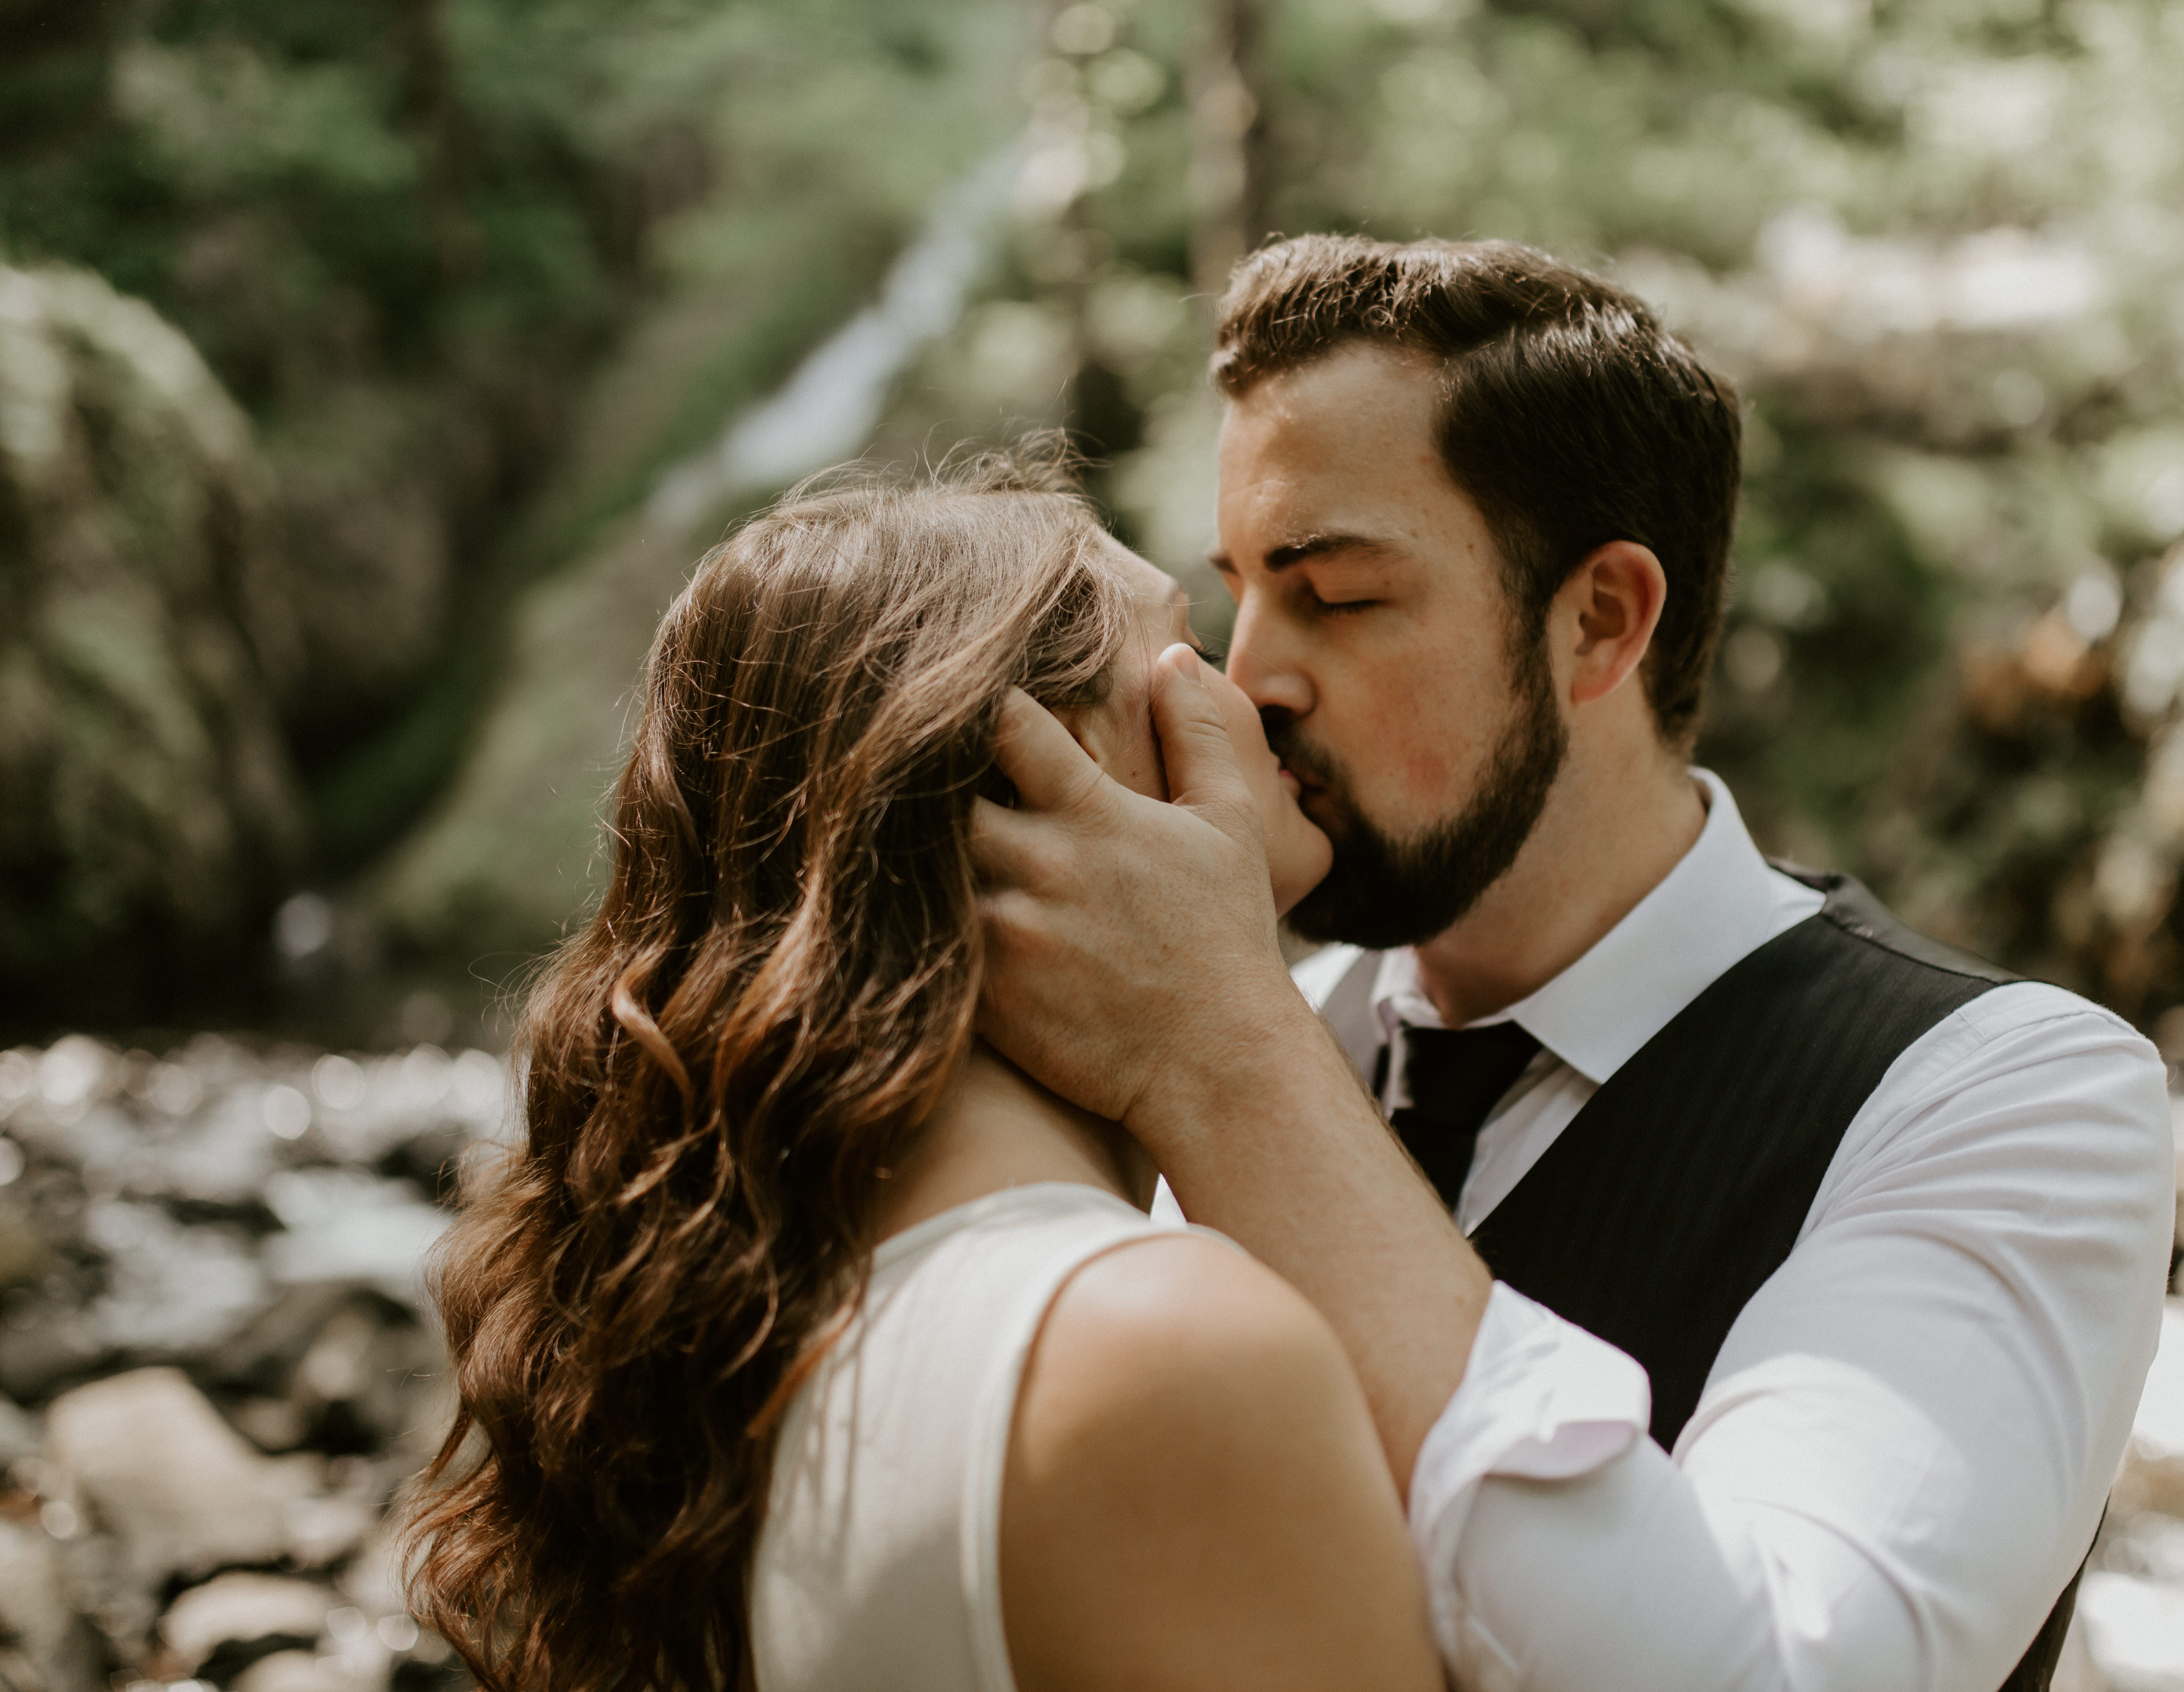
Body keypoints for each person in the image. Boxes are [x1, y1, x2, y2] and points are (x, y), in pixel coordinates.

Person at [974, 237, 2176, 1691]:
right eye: (1241, 590)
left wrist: (1220, 1060)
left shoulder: (2005, 1097)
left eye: (1338, 595)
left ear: (1600, 619)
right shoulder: (1265, 1031)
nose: (1251, 681)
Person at [400, 462, 1443, 1692]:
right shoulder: (1154, 1353)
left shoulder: (753, 1334)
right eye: (1189, 651)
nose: (1254, 698)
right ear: (1032, 783)